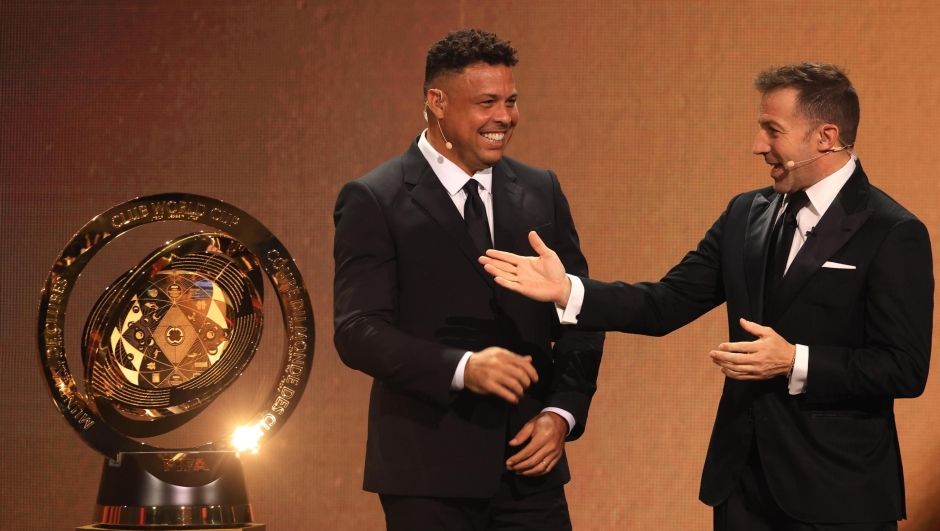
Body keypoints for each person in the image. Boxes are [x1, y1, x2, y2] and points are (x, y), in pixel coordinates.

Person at [480, 62, 933, 530]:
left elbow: (904, 368)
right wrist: (569, 291)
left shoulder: (892, 231)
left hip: (837, 493)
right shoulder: (745, 214)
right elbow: (665, 303)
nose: (757, 146)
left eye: (771, 130)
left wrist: (796, 360)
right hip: (740, 490)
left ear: (825, 136)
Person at [333, 28, 604, 531]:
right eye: (487, 102)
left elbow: (579, 310)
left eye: (511, 101)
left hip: (530, 474)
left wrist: (563, 413)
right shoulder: (374, 198)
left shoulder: (541, 190)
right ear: (437, 102)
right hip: (426, 475)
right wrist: (462, 368)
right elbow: (358, 331)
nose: (505, 117)